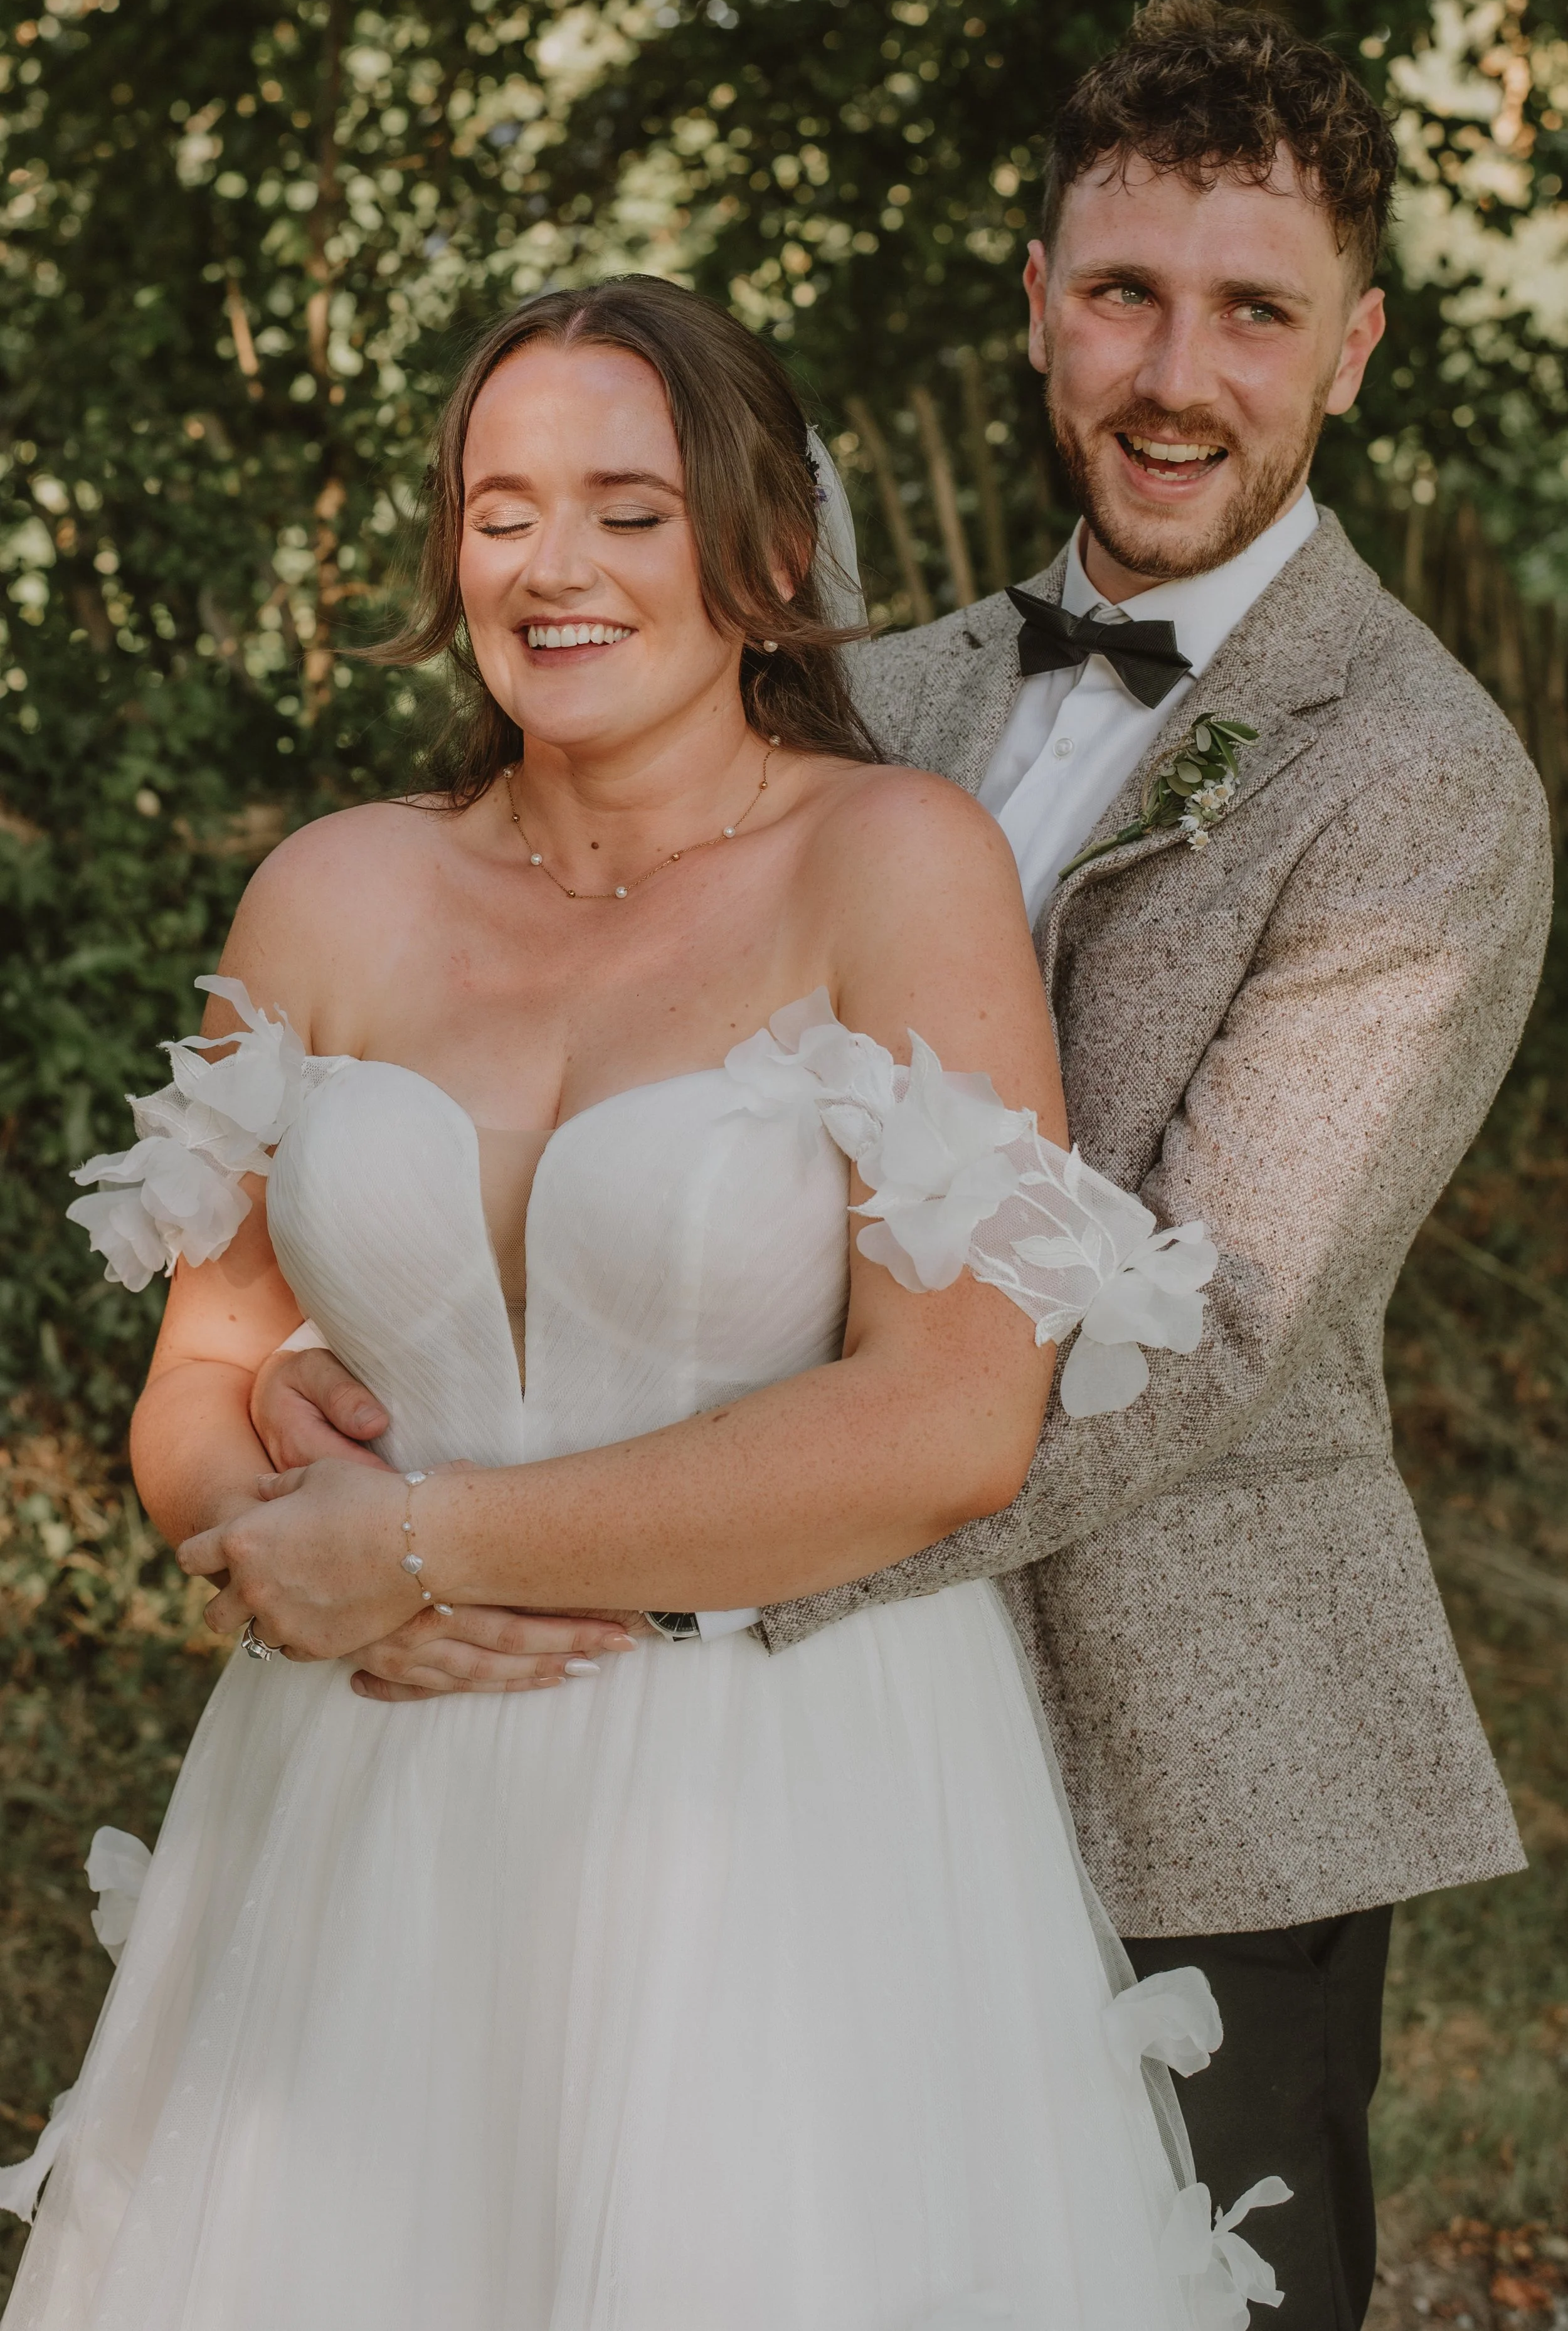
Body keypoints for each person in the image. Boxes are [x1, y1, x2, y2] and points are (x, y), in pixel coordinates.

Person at [246, 0, 1555, 2331]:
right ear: (1038, 304)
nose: (1175, 373)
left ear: (1352, 349)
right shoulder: (885, 686)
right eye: (1123, 292)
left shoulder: (1422, 788)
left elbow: (1214, 1325)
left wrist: (655, 1581)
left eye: (1253, 312)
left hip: (1176, 1755)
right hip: (762, 1776)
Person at [1, 277, 1285, 2329]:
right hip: (360, 1790)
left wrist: (417, 1542)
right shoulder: (327, 889)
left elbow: (952, 1416)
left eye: (626, 507)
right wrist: (250, 1519)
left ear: (762, 551)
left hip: (770, 1795)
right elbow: (204, 1371)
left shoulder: (894, 864)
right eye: (499, 510)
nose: (553, 566)